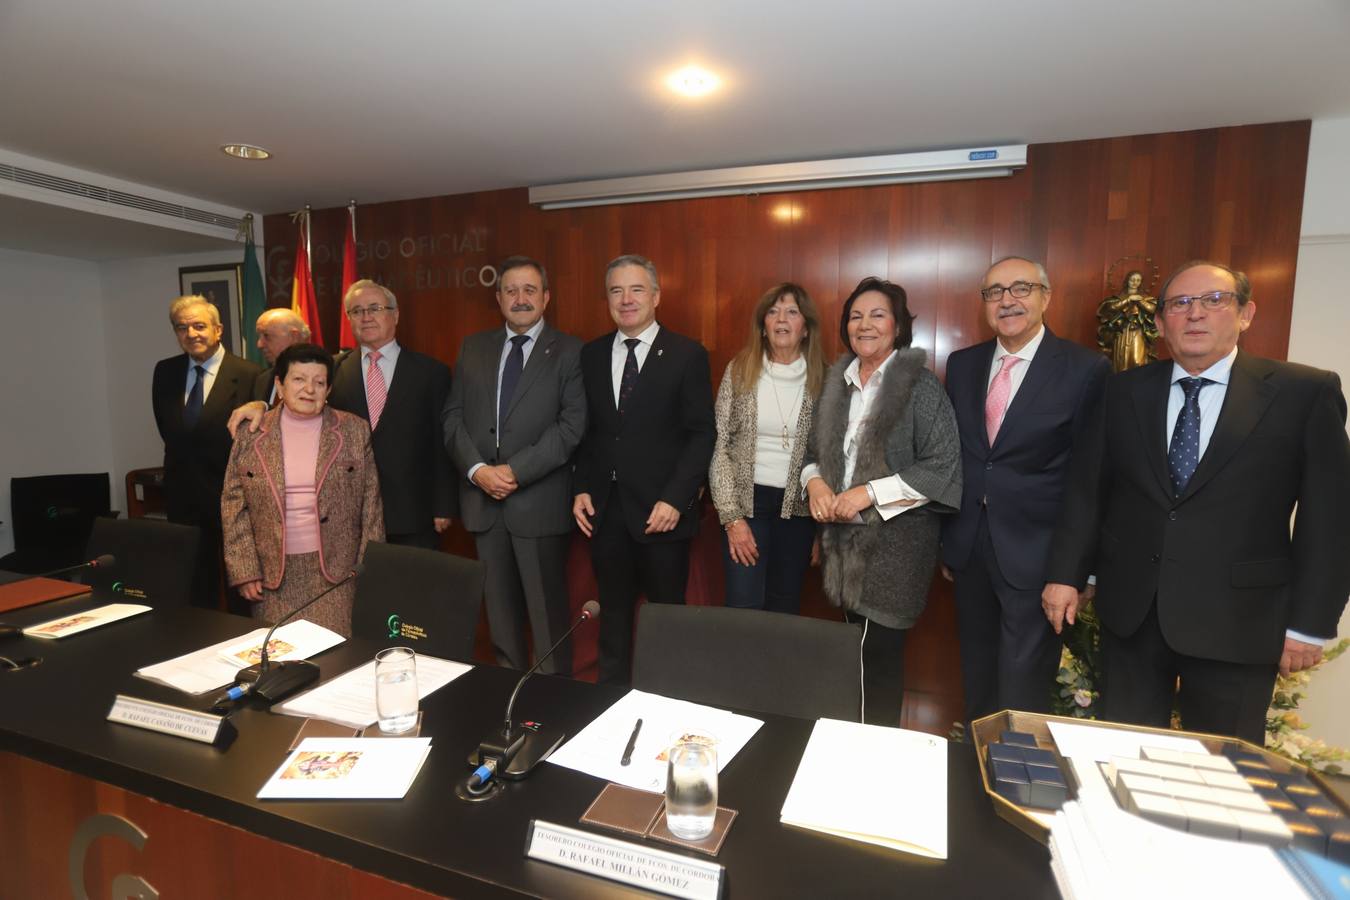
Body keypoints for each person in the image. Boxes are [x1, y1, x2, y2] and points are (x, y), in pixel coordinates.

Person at [1044, 261, 1350, 743]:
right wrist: (1069, 573)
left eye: (1213, 300)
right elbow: (1090, 490)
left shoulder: (1304, 393)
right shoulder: (1123, 390)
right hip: (1134, 616)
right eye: (1180, 304)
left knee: (1226, 770)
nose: (1195, 314)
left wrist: (1310, 625)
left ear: (1246, 313)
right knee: (1125, 755)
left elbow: (1330, 520)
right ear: (1161, 322)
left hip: (1239, 621)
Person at [941, 257, 1110, 722]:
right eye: (994, 292)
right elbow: (958, 457)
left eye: (1021, 288)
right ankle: (976, 781)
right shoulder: (963, 365)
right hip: (970, 550)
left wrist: (1076, 572)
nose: (1007, 300)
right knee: (976, 683)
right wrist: (951, 543)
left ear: (1045, 297)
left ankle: (1014, 786)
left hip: (1040, 560)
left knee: (1022, 692)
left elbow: (1089, 478)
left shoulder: (1084, 369)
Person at [802, 277, 961, 726]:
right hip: (841, 548)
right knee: (855, 663)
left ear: (897, 326)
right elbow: (812, 455)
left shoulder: (920, 386)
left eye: (877, 315)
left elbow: (942, 466)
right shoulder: (837, 383)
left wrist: (866, 494)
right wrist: (815, 484)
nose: (864, 324)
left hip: (897, 552)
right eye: (855, 316)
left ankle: (878, 758)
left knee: (882, 665)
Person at [572, 254, 716, 686]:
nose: (626, 299)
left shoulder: (687, 354)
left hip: (662, 512)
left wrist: (676, 498)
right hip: (607, 511)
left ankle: (664, 702)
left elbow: (700, 434)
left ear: (656, 296)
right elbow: (590, 432)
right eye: (616, 291)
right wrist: (581, 487)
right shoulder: (592, 354)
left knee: (664, 620)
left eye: (636, 289)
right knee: (612, 616)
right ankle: (609, 704)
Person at [443, 256, 586, 674]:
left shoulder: (571, 351)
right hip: (483, 504)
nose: (520, 299)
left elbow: (571, 425)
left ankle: (552, 702)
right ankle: (505, 703)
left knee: (546, 619)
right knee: (500, 620)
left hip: (537, 504)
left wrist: (514, 472)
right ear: (499, 297)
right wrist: (477, 471)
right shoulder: (474, 346)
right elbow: (452, 417)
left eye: (529, 290)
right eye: (511, 290)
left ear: (546, 297)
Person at [231, 281, 455, 548]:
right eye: (357, 311)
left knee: (413, 588)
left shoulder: (432, 372)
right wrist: (261, 405)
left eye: (375, 308)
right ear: (349, 319)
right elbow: (298, 400)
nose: (366, 316)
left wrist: (444, 505)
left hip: (414, 511)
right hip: (346, 512)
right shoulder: (330, 368)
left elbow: (443, 443)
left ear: (395, 315)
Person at [221, 344, 383, 636]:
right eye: (298, 379)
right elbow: (234, 506)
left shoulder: (354, 431)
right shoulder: (251, 434)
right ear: (279, 386)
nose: (309, 389)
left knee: (337, 658)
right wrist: (244, 570)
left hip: (336, 574)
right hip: (273, 577)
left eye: (319, 382)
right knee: (280, 659)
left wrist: (368, 571)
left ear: (328, 389)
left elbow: (371, 507)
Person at [709, 283, 826, 612]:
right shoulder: (740, 370)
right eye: (773, 312)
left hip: (800, 511)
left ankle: (776, 667)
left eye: (792, 311)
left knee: (784, 606)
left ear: (806, 327)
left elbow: (831, 458)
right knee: (743, 605)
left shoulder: (827, 379)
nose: (781, 319)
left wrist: (824, 530)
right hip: (748, 505)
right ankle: (742, 667)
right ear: (763, 325)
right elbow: (721, 446)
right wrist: (731, 519)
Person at [151, 295, 261, 609]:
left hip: (232, 495)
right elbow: (169, 430)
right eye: (182, 328)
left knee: (240, 581)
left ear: (218, 329)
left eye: (199, 326)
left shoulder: (250, 373)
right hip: (182, 495)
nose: (191, 334)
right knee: (194, 583)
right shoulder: (165, 371)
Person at [1096, 270, 1158, 372]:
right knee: (1120, 361)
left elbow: (1154, 309)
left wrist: (1140, 301)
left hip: (1138, 332)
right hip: (1121, 332)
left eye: (1138, 280)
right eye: (1132, 280)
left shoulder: (1146, 298)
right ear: (1127, 281)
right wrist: (1128, 300)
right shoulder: (1118, 298)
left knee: (1137, 360)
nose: (1135, 283)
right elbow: (1108, 308)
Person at [252, 308, 310, 403]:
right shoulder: (262, 380)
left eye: (267, 336)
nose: (259, 344)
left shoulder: (324, 376)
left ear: (294, 337)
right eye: (259, 336)